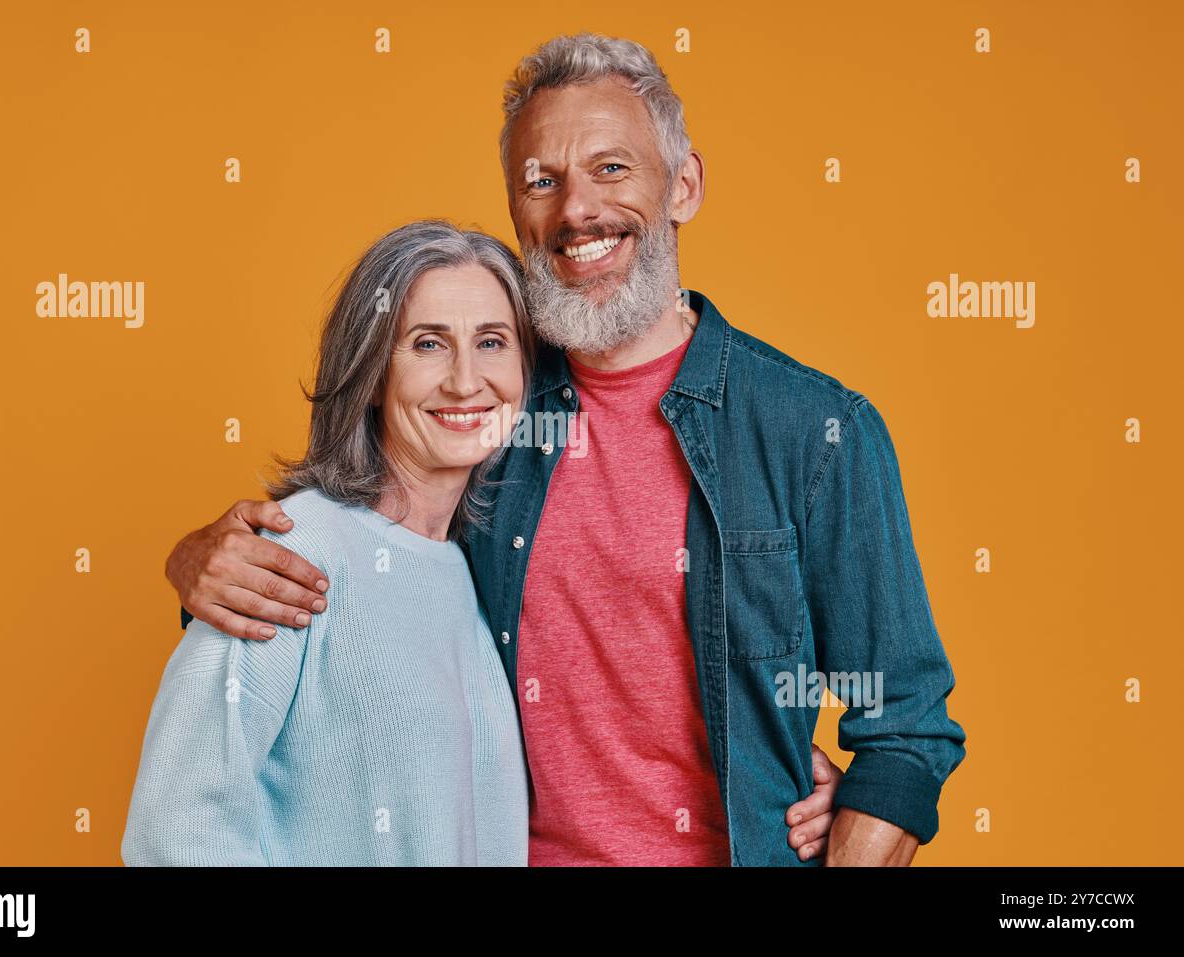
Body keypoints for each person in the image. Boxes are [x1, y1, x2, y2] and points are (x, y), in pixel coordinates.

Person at [167, 33, 962, 867]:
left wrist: (845, 811)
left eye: (611, 168)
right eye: (541, 181)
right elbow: (343, 562)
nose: (576, 210)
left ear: (683, 184)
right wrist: (195, 563)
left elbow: (907, 730)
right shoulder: (482, 402)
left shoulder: (813, 430)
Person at [122, 222, 536, 864]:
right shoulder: (291, 551)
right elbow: (173, 829)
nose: (465, 379)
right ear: (371, 375)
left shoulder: (475, 569)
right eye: (428, 344)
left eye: (492, 342)